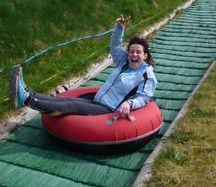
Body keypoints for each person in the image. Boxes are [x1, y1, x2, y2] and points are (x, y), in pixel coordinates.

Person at [9, 15, 157, 117]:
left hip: (109, 109)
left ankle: (26, 100)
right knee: (65, 100)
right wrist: (119, 27)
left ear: (145, 55)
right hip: (98, 100)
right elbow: (115, 46)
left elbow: (143, 96)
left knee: (71, 107)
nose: (134, 55)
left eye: (138, 52)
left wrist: (129, 103)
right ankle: (27, 92)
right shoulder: (124, 62)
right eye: (131, 51)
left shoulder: (146, 74)